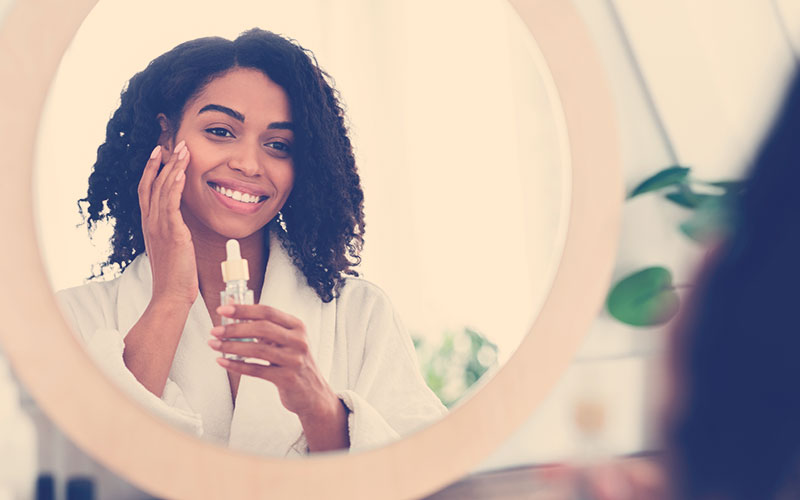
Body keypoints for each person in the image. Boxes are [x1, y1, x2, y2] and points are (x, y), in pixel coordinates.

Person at [56, 28, 446, 457]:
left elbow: (422, 472)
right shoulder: (74, 319)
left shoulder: (360, 315)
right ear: (166, 138)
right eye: (221, 131)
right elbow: (80, 465)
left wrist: (319, 407)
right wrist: (169, 297)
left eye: (278, 145)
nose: (248, 164)